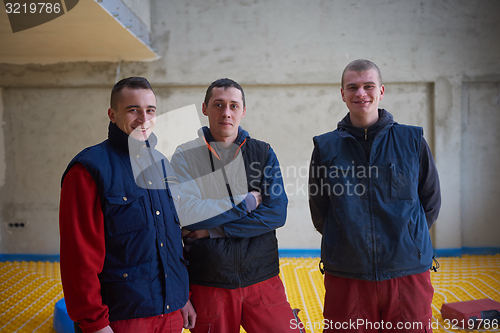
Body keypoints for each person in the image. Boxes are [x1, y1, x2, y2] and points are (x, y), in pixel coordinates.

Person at [308, 60, 441, 333]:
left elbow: (430, 198)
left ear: (381, 91)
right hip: (347, 271)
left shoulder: (412, 140)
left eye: (368, 86)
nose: (361, 93)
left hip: (406, 271)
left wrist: (408, 238)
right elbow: (320, 209)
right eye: (353, 87)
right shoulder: (325, 146)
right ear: (342, 93)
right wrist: (347, 240)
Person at [59, 77, 196, 333]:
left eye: (150, 110)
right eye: (133, 110)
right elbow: (78, 256)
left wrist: (182, 297)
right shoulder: (89, 169)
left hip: (170, 313)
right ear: (112, 114)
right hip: (121, 318)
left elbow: (170, 239)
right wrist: (95, 323)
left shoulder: (161, 164)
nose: (144, 119)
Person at [170, 78, 300, 332]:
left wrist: (213, 230)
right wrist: (246, 203)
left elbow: (275, 214)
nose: (226, 112)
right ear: (205, 108)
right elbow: (187, 215)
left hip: (262, 278)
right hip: (209, 282)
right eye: (218, 105)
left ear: (243, 110)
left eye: (233, 105)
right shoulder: (185, 156)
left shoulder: (263, 153)